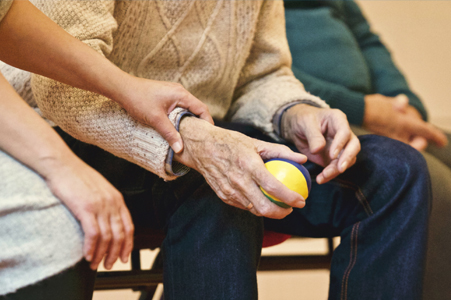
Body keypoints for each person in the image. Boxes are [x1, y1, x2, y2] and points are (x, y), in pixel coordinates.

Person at [2, 1, 432, 299]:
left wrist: (295, 112)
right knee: (222, 185)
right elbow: (61, 90)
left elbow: (262, 73)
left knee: (396, 171)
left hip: (213, 132)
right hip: (83, 131)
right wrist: (190, 140)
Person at [0, 0, 211, 298]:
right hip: (43, 123)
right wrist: (63, 167)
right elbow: (55, 90)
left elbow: (6, 17)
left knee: (215, 182)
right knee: (55, 233)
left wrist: (128, 87)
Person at [283, 1, 451, 298]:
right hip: (306, 121)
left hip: (372, 117)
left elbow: (368, 40)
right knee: (428, 178)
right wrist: (362, 109)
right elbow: (260, 71)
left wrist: (406, 107)